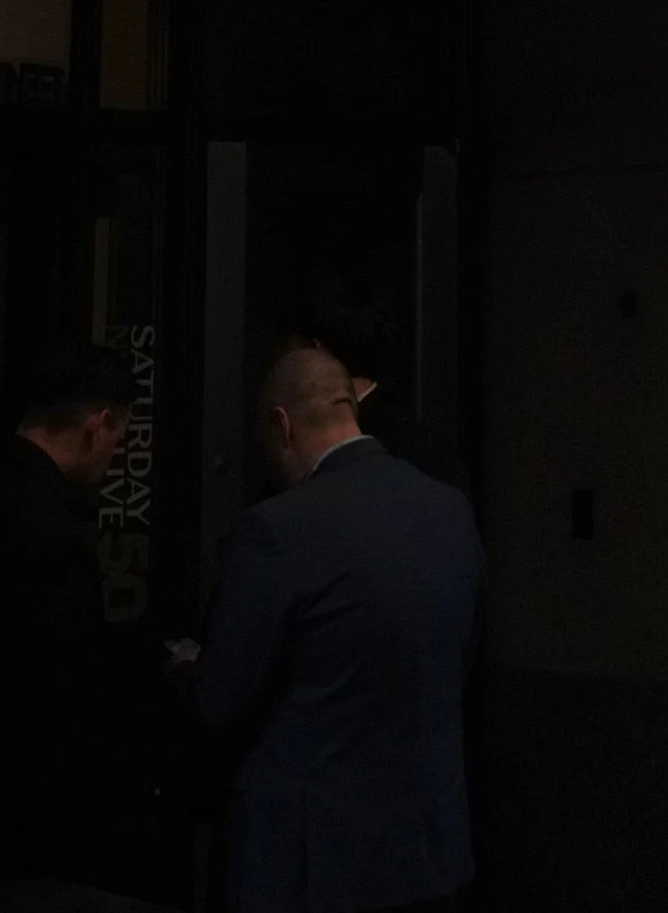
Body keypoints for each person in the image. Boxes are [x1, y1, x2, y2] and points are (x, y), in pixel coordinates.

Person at [180, 341, 484, 913]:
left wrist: (191, 669)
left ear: (281, 424)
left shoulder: (275, 530)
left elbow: (221, 702)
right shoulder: (450, 511)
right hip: (427, 854)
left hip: (306, 866)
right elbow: (453, 665)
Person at [0, 340, 136, 884]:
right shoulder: (55, 534)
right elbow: (63, 704)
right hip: (23, 823)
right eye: (118, 440)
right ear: (97, 424)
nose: (115, 459)